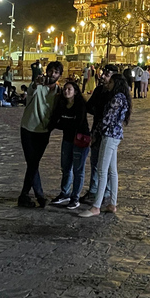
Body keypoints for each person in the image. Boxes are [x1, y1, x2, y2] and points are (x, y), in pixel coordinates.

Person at [80, 74, 131, 218]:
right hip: (115, 135)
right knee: (112, 170)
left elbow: (107, 119)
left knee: (102, 170)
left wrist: (95, 133)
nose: (108, 84)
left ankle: (96, 206)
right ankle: (112, 203)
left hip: (109, 135)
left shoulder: (116, 98)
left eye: (111, 82)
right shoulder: (122, 97)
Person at [17, 61, 63, 208]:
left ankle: (27, 196)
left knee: (34, 163)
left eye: (56, 72)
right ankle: (36, 195)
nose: (52, 74)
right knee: (32, 163)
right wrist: (36, 83)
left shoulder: (59, 92)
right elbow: (31, 92)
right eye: (50, 71)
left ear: (60, 75)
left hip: (44, 131)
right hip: (28, 128)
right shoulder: (38, 85)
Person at [48, 81, 90, 210]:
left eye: (69, 89)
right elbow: (55, 120)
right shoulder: (61, 104)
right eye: (65, 89)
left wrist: (63, 123)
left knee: (78, 170)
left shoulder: (80, 105)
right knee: (66, 167)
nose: (66, 91)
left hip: (80, 140)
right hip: (67, 139)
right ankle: (65, 193)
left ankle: (75, 197)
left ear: (75, 91)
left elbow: (78, 123)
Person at [80, 64, 118, 204]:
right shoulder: (99, 90)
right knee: (95, 162)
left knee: (107, 165)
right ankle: (94, 190)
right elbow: (89, 107)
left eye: (107, 74)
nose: (102, 76)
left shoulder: (116, 94)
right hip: (96, 129)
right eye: (103, 73)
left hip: (108, 134)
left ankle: (106, 193)